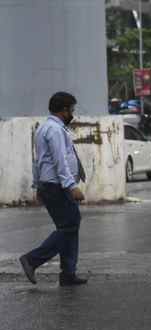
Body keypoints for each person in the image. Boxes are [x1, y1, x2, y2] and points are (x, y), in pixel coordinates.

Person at [19, 92, 88, 287]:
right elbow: (60, 161)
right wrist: (71, 186)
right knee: (70, 225)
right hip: (57, 186)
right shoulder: (55, 130)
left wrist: (37, 184)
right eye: (71, 110)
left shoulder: (46, 128)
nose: (72, 114)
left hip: (50, 184)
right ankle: (32, 260)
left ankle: (68, 273)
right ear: (64, 109)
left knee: (68, 227)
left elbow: (38, 161)